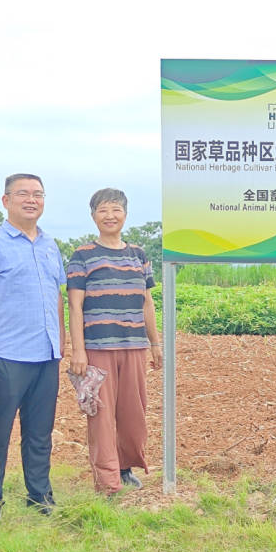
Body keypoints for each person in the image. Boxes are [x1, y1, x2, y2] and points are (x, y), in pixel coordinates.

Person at [0, 173, 66, 520]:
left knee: (40, 433)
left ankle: (40, 496)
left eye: (38, 194)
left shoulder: (50, 245)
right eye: (23, 193)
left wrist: (61, 341)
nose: (31, 200)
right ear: (6, 201)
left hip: (46, 354)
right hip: (7, 355)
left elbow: (56, 295)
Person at [66, 188, 162, 495]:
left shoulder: (138, 255)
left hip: (134, 346)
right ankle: (107, 483)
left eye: (116, 210)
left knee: (134, 414)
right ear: (93, 216)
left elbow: (147, 302)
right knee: (102, 415)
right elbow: (75, 306)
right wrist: (78, 351)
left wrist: (155, 343)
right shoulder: (82, 256)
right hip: (97, 349)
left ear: (125, 214)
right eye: (103, 210)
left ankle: (125, 468)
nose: (110, 216)